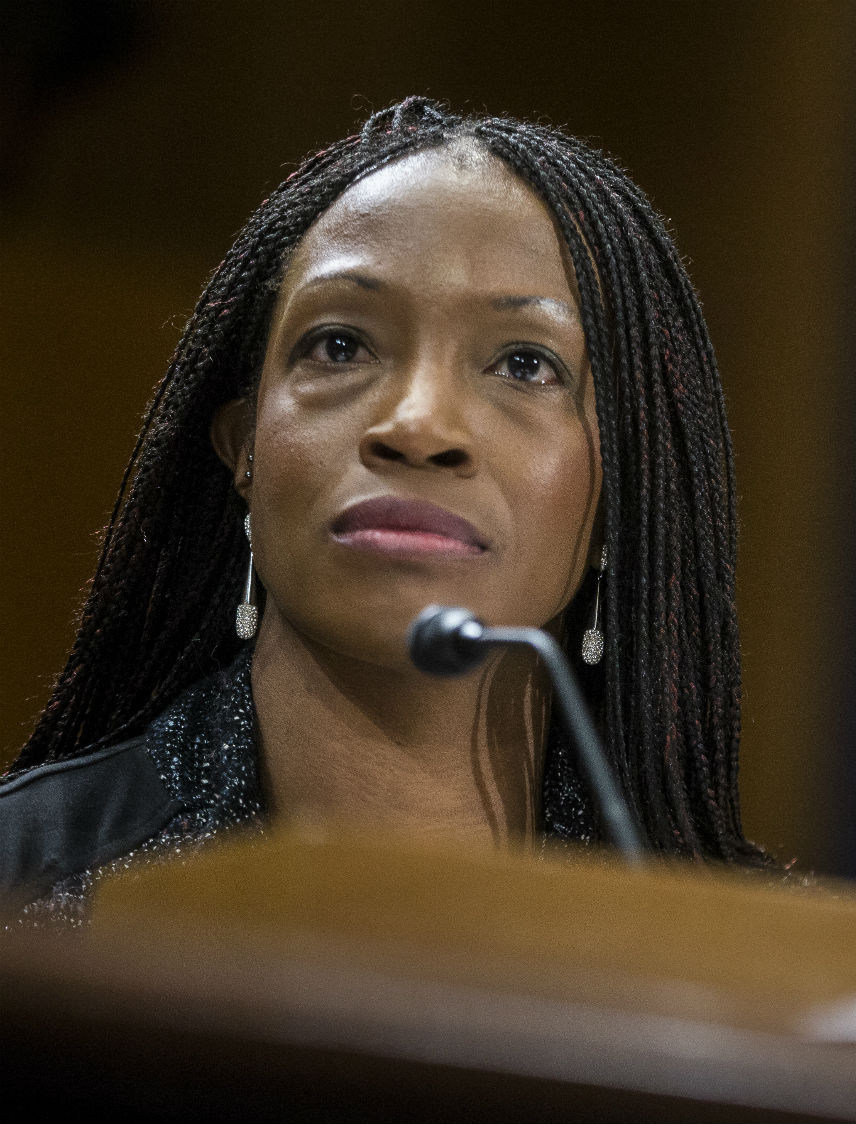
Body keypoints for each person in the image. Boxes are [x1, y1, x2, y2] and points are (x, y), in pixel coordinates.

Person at [0, 97, 764, 926]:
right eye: (341, 346)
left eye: (524, 364)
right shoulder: (24, 892)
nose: (419, 427)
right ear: (244, 449)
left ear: (623, 493)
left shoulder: (747, 960)